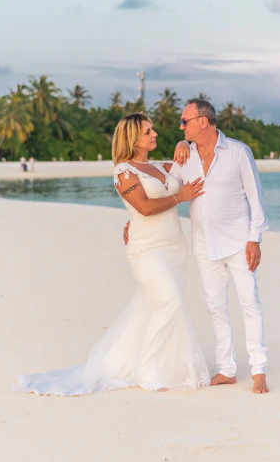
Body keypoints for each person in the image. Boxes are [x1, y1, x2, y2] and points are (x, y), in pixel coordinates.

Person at [15, 113, 209, 396]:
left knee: (152, 307)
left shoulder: (160, 167)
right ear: (132, 139)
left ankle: (169, 366)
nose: (154, 135)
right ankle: (148, 369)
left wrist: (183, 141)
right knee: (171, 301)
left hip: (175, 247)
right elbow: (142, 207)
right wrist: (181, 197)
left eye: (153, 130)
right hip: (146, 249)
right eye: (147, 132)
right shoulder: (124, 171)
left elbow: (198, 161)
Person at [125, 99, 270, 394]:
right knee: (216, 307)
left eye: (184, 122)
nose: (180, 126)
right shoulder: (184, 156)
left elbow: (256, 198)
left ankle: (259, 369)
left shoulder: (239, 152)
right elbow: (168, 188)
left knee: (249, 303)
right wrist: (134, 220)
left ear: (203, 121)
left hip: (239, 242)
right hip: (204, 244)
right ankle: (227, 369)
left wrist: (254, 239)